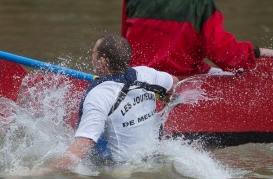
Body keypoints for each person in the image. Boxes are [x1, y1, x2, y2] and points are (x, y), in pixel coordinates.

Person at [121, 0, 273, 78]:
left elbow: (124, 46)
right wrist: (258, 52)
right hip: (183, 79)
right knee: (241, 76)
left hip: (136, 76)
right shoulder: (202, 4)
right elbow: (224, 54)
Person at [50, 35, 179, 170]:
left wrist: (43, 171)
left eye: (94, 53)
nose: (92, 56)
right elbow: (175, 84)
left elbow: (82, 146)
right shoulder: (147, 74)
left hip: (120, 174)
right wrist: (165, 97)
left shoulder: (99, 95)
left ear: (102, 62)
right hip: (155, 160)